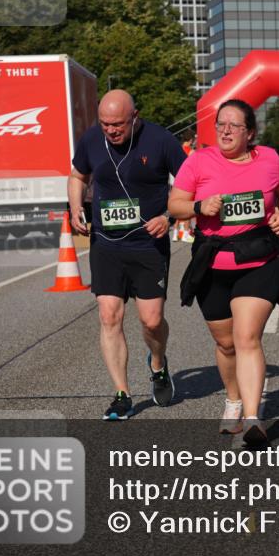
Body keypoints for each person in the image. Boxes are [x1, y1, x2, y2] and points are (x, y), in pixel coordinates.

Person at [169, 99, 279, 445]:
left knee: (246, 338)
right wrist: (198, 206)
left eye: (234, 126)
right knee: (225, 343)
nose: (225, 131)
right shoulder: (199, 160)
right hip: (211, 263)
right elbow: (175, 204)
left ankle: (255, 418)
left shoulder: (270, 159)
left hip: (258, 260)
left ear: (250, 132)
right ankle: (233, 399)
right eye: (220, 125)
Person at [68, 89, 186, 420]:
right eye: (105, 124)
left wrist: (169, 216)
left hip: (148, 244)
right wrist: (76, 207)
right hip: (106, 243)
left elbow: (190, 182)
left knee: (150, 321)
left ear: (135, 117)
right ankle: (122, 394)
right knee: (109, 315)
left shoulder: (161, 140)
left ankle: (159, 364)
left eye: (118, 124)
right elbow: (77, 175)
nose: (111, 131)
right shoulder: (91, 139)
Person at [172, 137, 197, 243]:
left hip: (175, 180)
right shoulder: (188, 150)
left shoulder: (178, 148)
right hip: (186, 182)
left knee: (178, 211)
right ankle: (185, 233)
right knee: (187, 209)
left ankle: (175, 233)